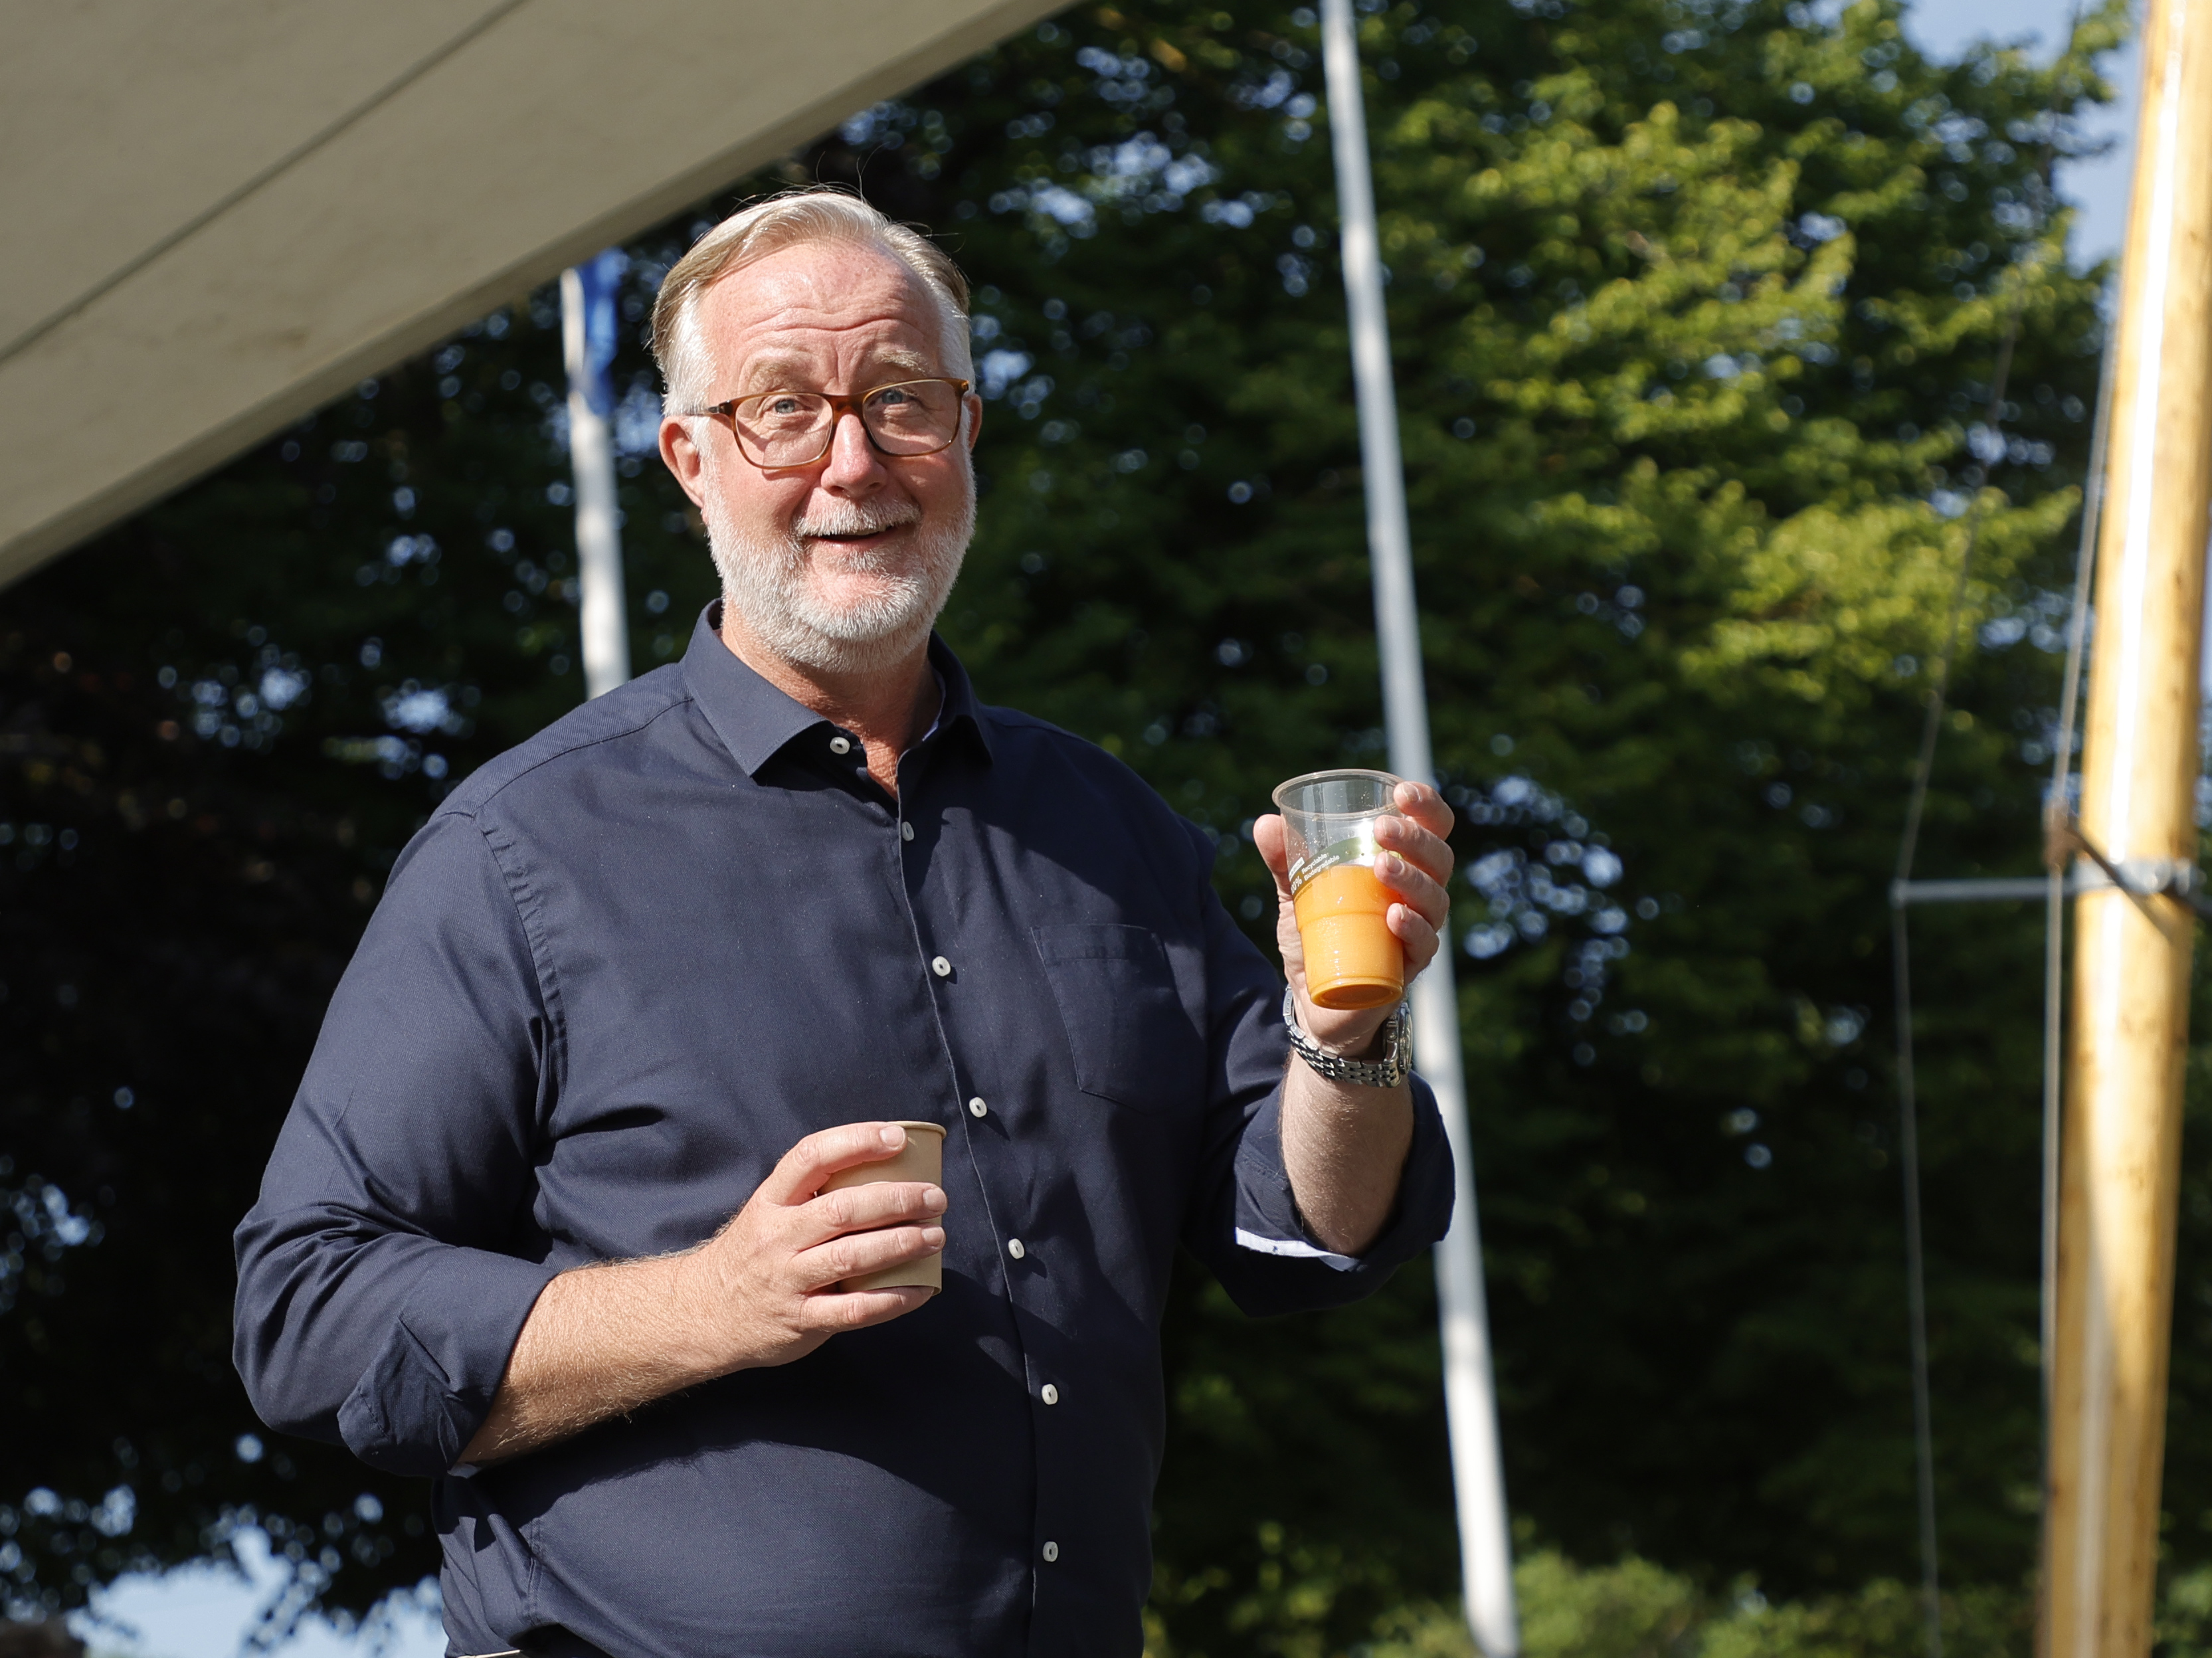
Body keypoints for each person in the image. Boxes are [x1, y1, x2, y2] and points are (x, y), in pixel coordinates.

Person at [232, 187, 1459, 1658]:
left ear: (969, 432)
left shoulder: (1113, 831)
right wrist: (713, 1302)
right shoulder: (519, 851)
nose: (854, 461)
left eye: (898, 400)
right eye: (783, 410)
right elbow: (307, 1312)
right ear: (690, 460)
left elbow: (1299, 1237)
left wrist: (1348, 1041)